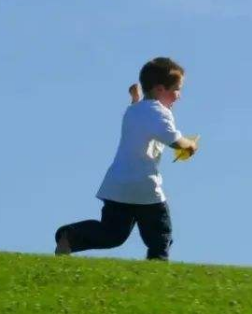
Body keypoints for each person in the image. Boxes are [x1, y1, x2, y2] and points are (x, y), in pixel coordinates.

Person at [54, 57, 198, 260]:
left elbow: (142, 119)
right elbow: (173, 139)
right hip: (144, 187)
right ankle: (157, 271)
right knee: (160, 236)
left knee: (112, 234)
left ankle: (70, 236)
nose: (179, 96)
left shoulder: (135, 110)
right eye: (176, 89)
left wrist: (135, 98)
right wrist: (190, 145)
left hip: (118, 186)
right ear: (159, 89)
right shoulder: (160, 113)